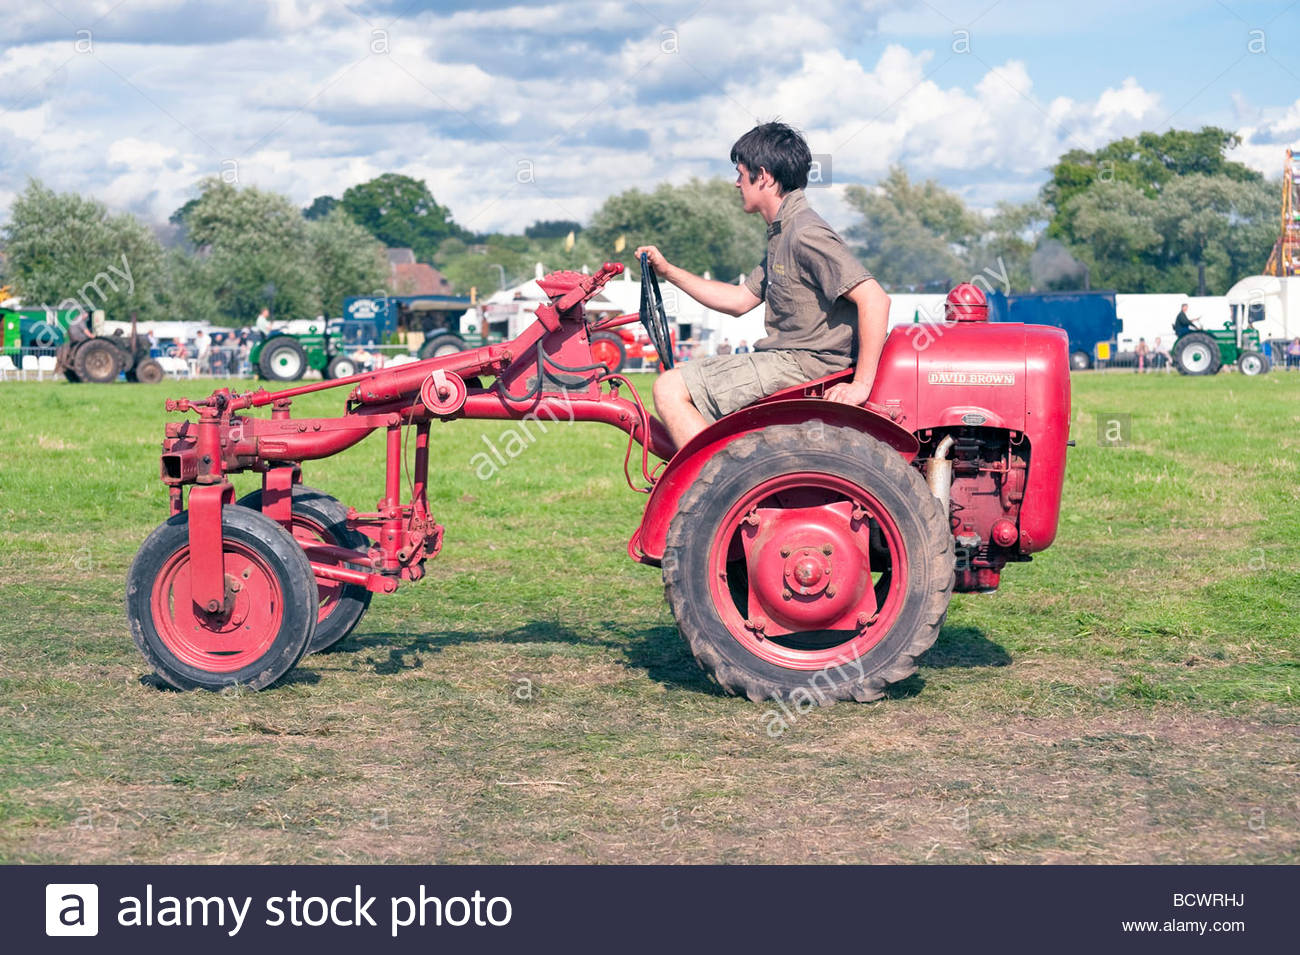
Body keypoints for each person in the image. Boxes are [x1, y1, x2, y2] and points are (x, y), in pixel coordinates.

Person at [636, 121, 889, 449]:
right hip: (791, 359)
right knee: (684, 381)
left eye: (741, 173)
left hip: (802, 364)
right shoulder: (783, 233)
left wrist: (860, 386)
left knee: (669, 389)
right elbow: (740, 300)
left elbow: (875, 299)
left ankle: (718, 490)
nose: (736, 183)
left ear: (764, 176)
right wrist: (669, 271)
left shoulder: (804, 233)